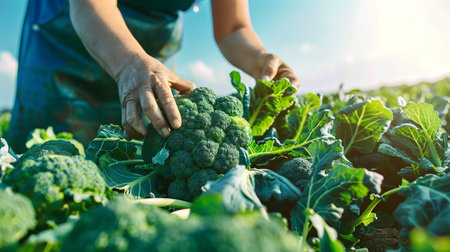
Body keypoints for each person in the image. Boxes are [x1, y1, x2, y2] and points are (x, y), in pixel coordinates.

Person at [7, 0, 299, 153]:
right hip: (70, 36)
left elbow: (233, 29)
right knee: (46, 153)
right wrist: (126, 63)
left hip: (153, 48)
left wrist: (259, 58)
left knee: (135, 152)